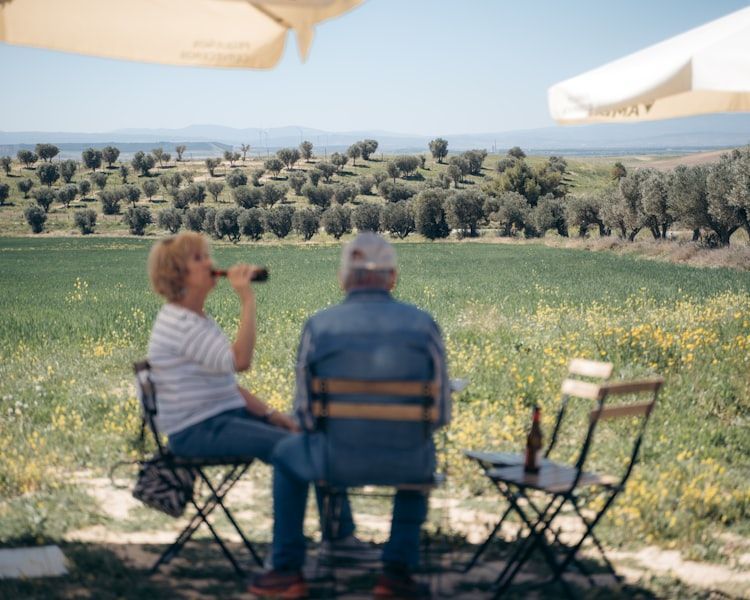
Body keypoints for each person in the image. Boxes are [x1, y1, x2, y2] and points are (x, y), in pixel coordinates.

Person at [250, 232, 451, 600]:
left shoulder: (319, 326)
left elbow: (306, 415)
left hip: (334, 461)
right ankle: (396, 573)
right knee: (424, 455)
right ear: (392, 277)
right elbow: (439, 414)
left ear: (344, 278)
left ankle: (286, 569)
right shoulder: (425, 326)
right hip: (408, 462)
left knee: (285, 455)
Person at [146, 232, 361, 562]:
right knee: (290, 449)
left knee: (309, 429)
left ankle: (340, 537)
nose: (211, 263)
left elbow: (227, 386)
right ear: (178, 273)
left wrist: (274, 416)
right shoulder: (181, 324)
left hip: (220, 418)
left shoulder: (195, 319)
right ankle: (286, 557)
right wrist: (247, 299)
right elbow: (240, 361)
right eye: (199, 258)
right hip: (197, 430)